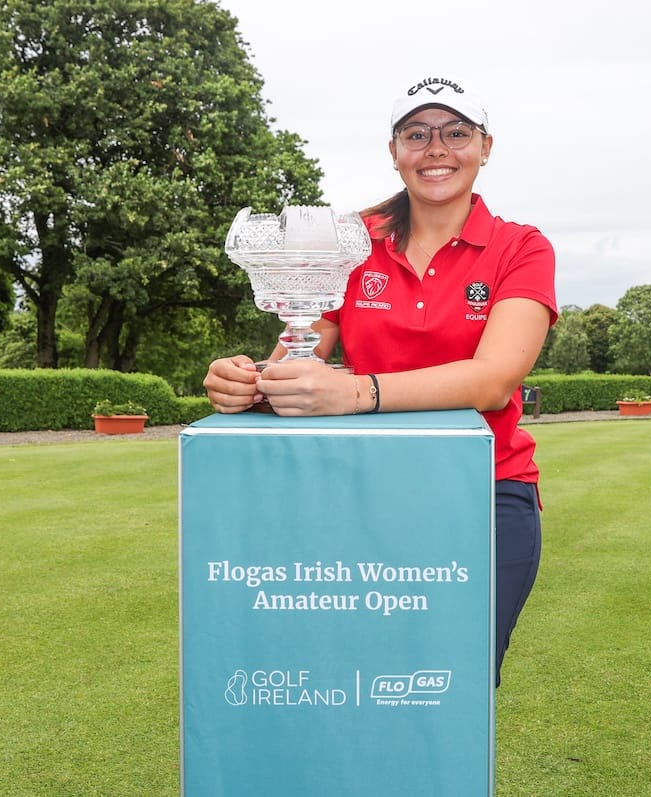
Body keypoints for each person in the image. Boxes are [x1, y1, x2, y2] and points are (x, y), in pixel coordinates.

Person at [203, 75, 557, 685]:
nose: (436, 149)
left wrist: (358, 392)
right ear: (393, 152)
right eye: (416, 134)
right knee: (356, 677)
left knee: (455, 686)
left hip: (485, 492)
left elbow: (494, 380)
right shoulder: (348, 240)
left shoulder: (520, 247)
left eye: (456, 133)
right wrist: (250, 382)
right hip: (357, 491)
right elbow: (298, 352)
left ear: (486, 146)